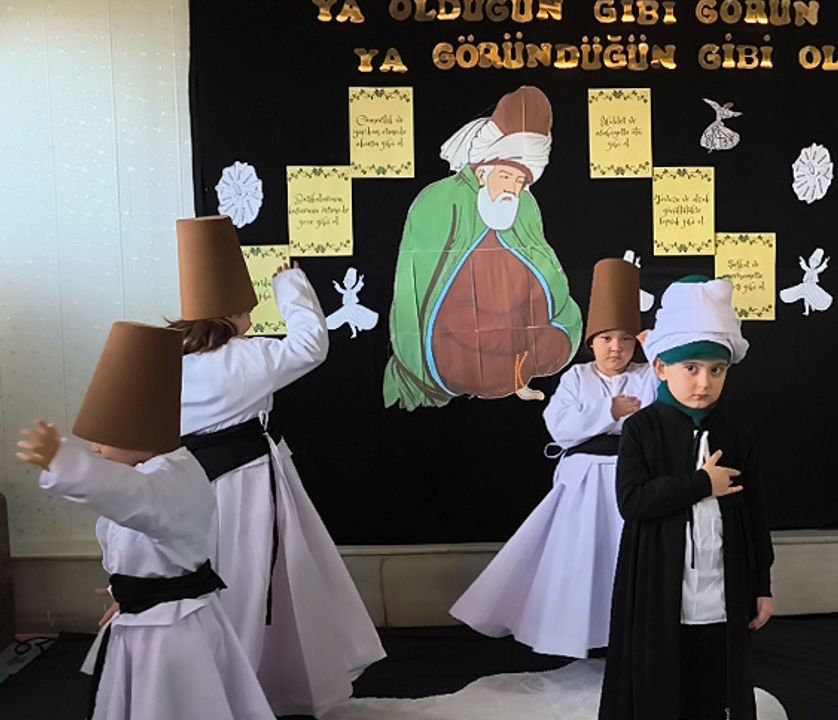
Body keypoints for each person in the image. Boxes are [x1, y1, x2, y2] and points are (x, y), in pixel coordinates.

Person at [172, 215, 384, 717]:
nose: (252, 312)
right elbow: (311, 344)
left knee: (212, 579)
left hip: (184, 488)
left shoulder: (169, 363)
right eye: (247, 305)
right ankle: (251, 684)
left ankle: (205, 686)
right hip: (246, 485)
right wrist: (290, 284)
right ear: (231, 313)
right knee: (254, 580)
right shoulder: (247, 359)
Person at [16, 322, 273, 720]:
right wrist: (125, 591)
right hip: (145, 620)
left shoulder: (171, 479)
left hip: (170, 633)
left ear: (144, 433)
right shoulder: (151, 472)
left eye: (105, 438)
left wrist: (65, 464)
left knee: (171, 704)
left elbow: (132, 498)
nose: (95, 448)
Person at [451, 259, 657, 658]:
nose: (616, 348)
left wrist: (655, 356)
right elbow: (559, 427)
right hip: (584, 483)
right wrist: (610, 412)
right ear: (592, 342)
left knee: (626, 555)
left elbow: (658, 416)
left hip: (631, 477)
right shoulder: (577, 378)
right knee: (580, 557)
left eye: (625, 340)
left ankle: (628, 631)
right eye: (607, 339)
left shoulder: (648, 375)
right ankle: (575, 631)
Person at [599, 276, 775, 720]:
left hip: (721, 587)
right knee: (662, 681)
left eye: (717, 370)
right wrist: (701, 484)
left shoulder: (737, 434)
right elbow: (633, 501)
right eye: (691, 368)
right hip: (661, 587)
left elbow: (755, 514)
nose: (704, 382)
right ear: (661, 368)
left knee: (713, 683)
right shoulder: (642, 430)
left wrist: (762, 585)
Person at [384, 85, 582, 408]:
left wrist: (544, 326)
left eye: (520, 181)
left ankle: (514, 370)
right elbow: (417, 287)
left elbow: (544, 268)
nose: (512, 189)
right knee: (472, 351)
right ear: (482, 172)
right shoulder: (440, 200)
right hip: (458, 333)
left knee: (554, 340)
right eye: (505, 177)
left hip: (516, 330)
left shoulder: (525, 206)